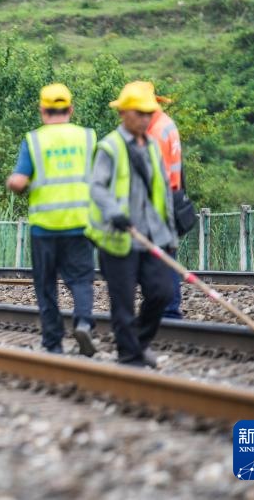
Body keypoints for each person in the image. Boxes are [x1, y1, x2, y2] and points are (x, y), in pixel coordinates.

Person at [85, 81, 177, 367]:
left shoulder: (151, 145)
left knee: (161, 292)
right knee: (122, 302)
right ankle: (129, 357)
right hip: (119, 237)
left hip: (151, 234)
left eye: (150, 113)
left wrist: (170, 232)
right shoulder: (109, 147)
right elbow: (96, 187)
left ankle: (138, 343)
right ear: (124, 113)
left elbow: (163, 190)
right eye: (141, 113)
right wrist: (115, 212)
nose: (147, 118)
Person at [6, 83, 98, 356]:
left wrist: (15, 183)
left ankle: (53, 343)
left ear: (42, 111)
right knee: (81, 280)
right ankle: (83, 321)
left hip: (44, 228)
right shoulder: (88, 138)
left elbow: (19, 181)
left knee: (46, 287)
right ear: (70, 109)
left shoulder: (34, 140)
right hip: (80, 223)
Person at [146, 89, 185, 319]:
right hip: (171, 196)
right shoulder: (166, 124)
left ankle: (168, 310)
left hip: (160, 200)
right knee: (164, 254)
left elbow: (154, 174)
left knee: (160, 256)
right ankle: (166, 307)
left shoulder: (156, 132)